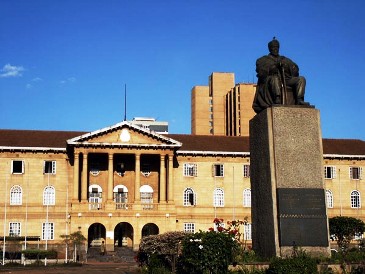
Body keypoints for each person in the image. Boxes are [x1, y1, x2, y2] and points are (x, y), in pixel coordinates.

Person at [252, 38, 309, 113]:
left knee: (301, 79)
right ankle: (277, 98)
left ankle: (299, 100)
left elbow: (295, 69)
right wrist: (273, 67)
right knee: (274, 79)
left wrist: (288, 67)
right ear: (270, 49)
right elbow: (261, 72)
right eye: (273, 48)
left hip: (286, 79)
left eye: (277, 48)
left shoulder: (284, 59)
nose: (275, 49)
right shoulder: (262, 60)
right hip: (271, 80)